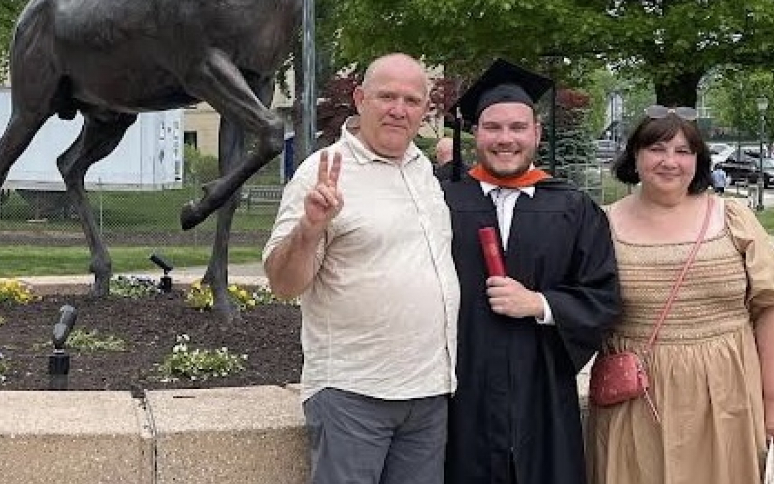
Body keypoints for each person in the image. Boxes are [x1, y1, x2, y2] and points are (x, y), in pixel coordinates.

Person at [262, 53, 460, 484]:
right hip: (354, 395)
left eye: (412, 100)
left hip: (427, 394)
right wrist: (310, 229)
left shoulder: (422, 169)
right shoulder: (323, 171)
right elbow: (282, 284)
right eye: (386, 96)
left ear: (426, 110)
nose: (398, 109)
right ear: (359, 99)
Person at [586, 105, 774, 484]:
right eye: (657, 149)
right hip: (636, 398)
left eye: (683, 151)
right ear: (634, 156)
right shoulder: (600, 225)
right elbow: (577, 306)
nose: (670, 161)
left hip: (728, 393)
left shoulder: (732, 218)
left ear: (698, 161)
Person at [441, 58, 622, 484]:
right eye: (493, 127)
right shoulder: (441, 203)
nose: (506, 139)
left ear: (536, 134)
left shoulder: (573, 208)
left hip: (539, 387)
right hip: (460, 389)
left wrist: (540, 304)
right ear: (475, 133)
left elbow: (603, 294)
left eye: (518, 127)